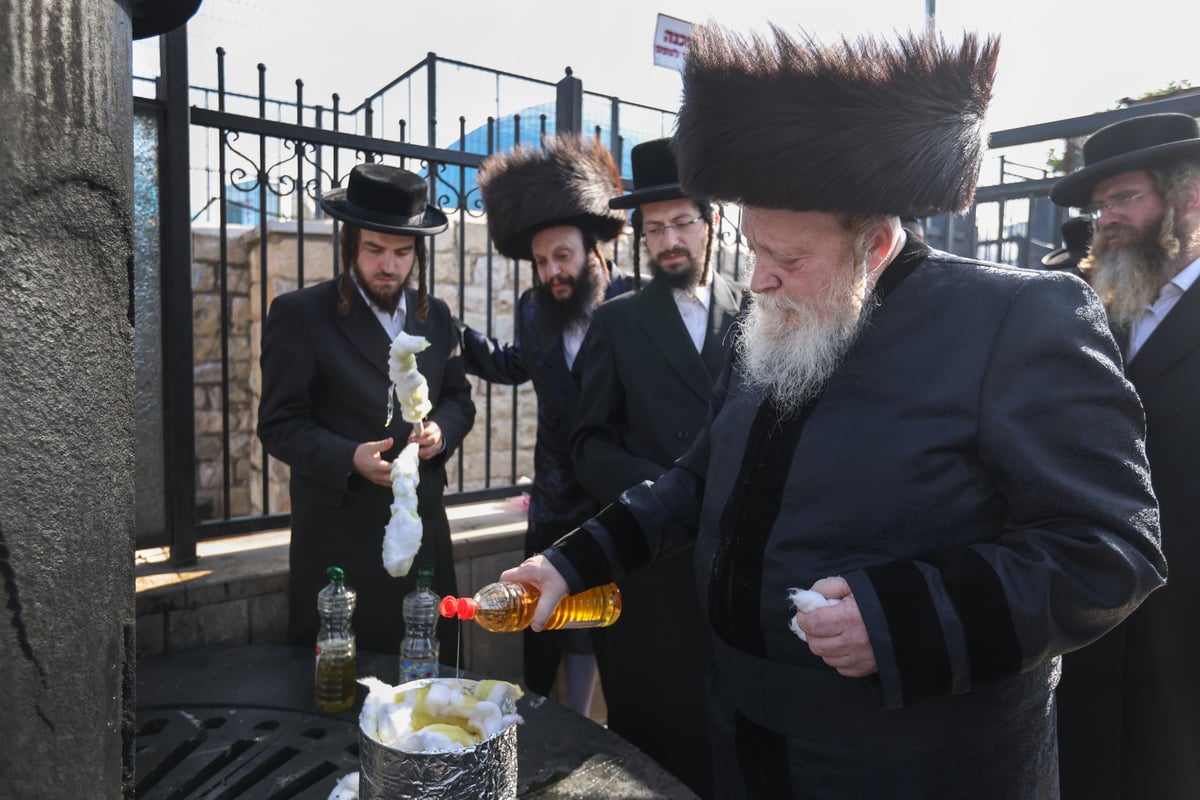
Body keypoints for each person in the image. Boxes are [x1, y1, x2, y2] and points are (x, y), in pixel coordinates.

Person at [500, 25, 1166, 799]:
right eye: (754, 252)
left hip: (917, 766)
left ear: (876, 246)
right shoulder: (780, 322)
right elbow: (698, 478)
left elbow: (1111, 549)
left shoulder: (1019, 320)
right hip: (746, 742)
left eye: (788, 260)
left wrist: (901, 617)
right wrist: (571, 561)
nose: (762, 284)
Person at [567, 136, 745, 798]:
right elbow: (587, 447)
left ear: (713, 220)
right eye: (655, 227)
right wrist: (666, 491)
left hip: (733, 572)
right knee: (649, 743)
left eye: (682, 222)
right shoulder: (617, 322)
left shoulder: (758, 312)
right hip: (651, 573)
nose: (669, 239)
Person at [258, 163, 475, 657]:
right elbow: (278, 425)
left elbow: (460, 399)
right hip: (341, 542)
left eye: (402, 253)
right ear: (350, 245)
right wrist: (347, 457)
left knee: (430, 694)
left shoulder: (436, 316)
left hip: (423, 539)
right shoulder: (299, 315)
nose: (388, 266)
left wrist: (441, 430)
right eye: (375, 250)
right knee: (343, 697)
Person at [1050, 112, 1200, 800]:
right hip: (1100, 605)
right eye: (1099, 204)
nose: (1105, 218)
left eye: (1125, 198)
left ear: (1187, 197)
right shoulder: (1097, 311)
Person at [457, 134, 634, 715]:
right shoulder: (536, 308)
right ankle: (546, 719)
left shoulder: (631, 307)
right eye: (541, 262)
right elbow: (516, 362)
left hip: (612, 498)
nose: (552, 271)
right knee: (543, 616)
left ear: (591, 252)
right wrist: (455, 339)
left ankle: (592, 724)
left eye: (562, 257)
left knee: (599, 626)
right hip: (554, 494)